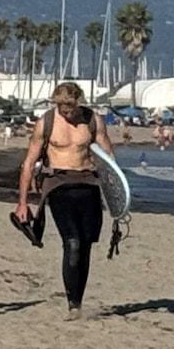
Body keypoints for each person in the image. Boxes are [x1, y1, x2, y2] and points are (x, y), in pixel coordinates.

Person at [15, 81, 118, 320]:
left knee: (85, 244)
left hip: (89, 184)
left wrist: (116, 197)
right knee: (71, 242)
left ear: (78, 102)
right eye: (61, 106)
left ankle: (78, 298)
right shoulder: (46, 123)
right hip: (59, 184)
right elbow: (29, 163)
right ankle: (73, 305)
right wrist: (22, 203)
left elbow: (110, 158)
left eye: (70, 107)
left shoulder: (93, 121)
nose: (66, 111)